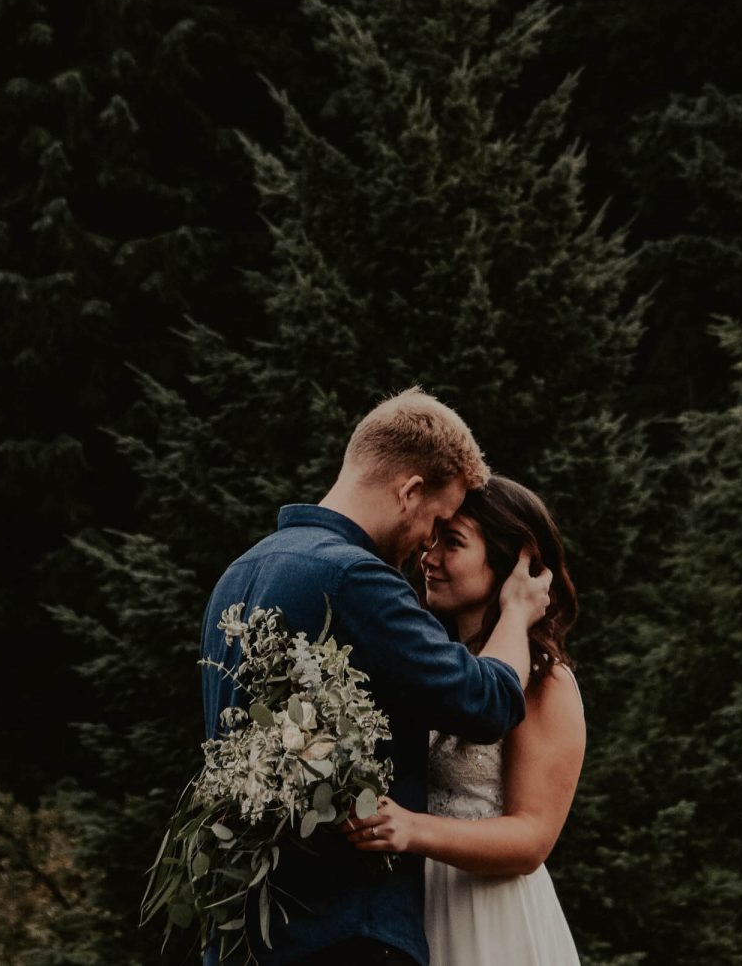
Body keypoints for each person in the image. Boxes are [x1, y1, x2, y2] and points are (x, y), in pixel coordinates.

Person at [200, 391, 552, 966]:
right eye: (436, 522)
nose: (426, 549)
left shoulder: (239, 575)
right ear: (410, 491)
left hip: (244, 927)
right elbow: (488, 703)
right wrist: (516, 612)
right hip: (340, 931)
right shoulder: (355, 578)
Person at [342, 476, 586, 966]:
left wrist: (412, 829)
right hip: (411, 908)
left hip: (491, 916)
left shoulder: (545, 683)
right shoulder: (430, 665)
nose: (428, 557)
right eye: (431, 540)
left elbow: (532, 839)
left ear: (512, 562)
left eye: (452, 543)